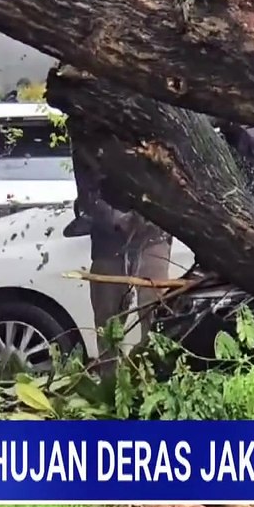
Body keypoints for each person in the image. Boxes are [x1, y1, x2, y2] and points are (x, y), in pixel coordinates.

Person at [63, 144, 172, 368]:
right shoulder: (88, 132)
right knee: (108, 321)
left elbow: (172, 180)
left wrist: (152, 213)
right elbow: (87, 193)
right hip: (108, 241)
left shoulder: (154, 123)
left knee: (156, 315)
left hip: (153, 235)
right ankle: (111, 385)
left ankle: (155, 378)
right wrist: (116, 218)